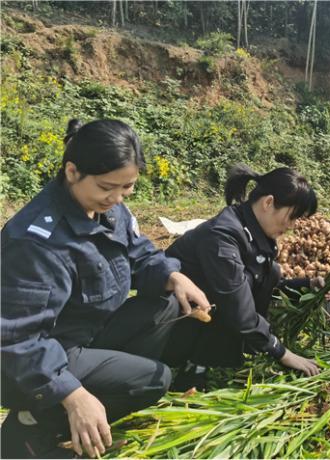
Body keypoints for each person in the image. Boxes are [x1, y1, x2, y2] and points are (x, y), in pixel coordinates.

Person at [1, 119, 212, 459]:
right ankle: (34, 425)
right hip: (42, 356)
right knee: (155, 379)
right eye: (106, 187)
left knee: (167, 304)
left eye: (126, 188)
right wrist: (73, 395)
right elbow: (18, 339)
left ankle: (102, 392)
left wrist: (174, 277)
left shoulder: (108, 210)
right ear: (72, 171)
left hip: (85, 332)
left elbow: (137, 250)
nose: (116, 198)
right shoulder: (36, 242)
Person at [163, 164, 322, 390]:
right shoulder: (222, 237)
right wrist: (282, 352)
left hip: (208, 315)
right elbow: (238, 304)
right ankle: (193, 366)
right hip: (175, 325)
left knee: (272, 270)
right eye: (292, 217)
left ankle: (224, 352)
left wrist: (306, 285)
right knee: (243, 283)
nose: (292, 226)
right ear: (268, 203)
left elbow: (267, 283)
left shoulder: (254, 232)